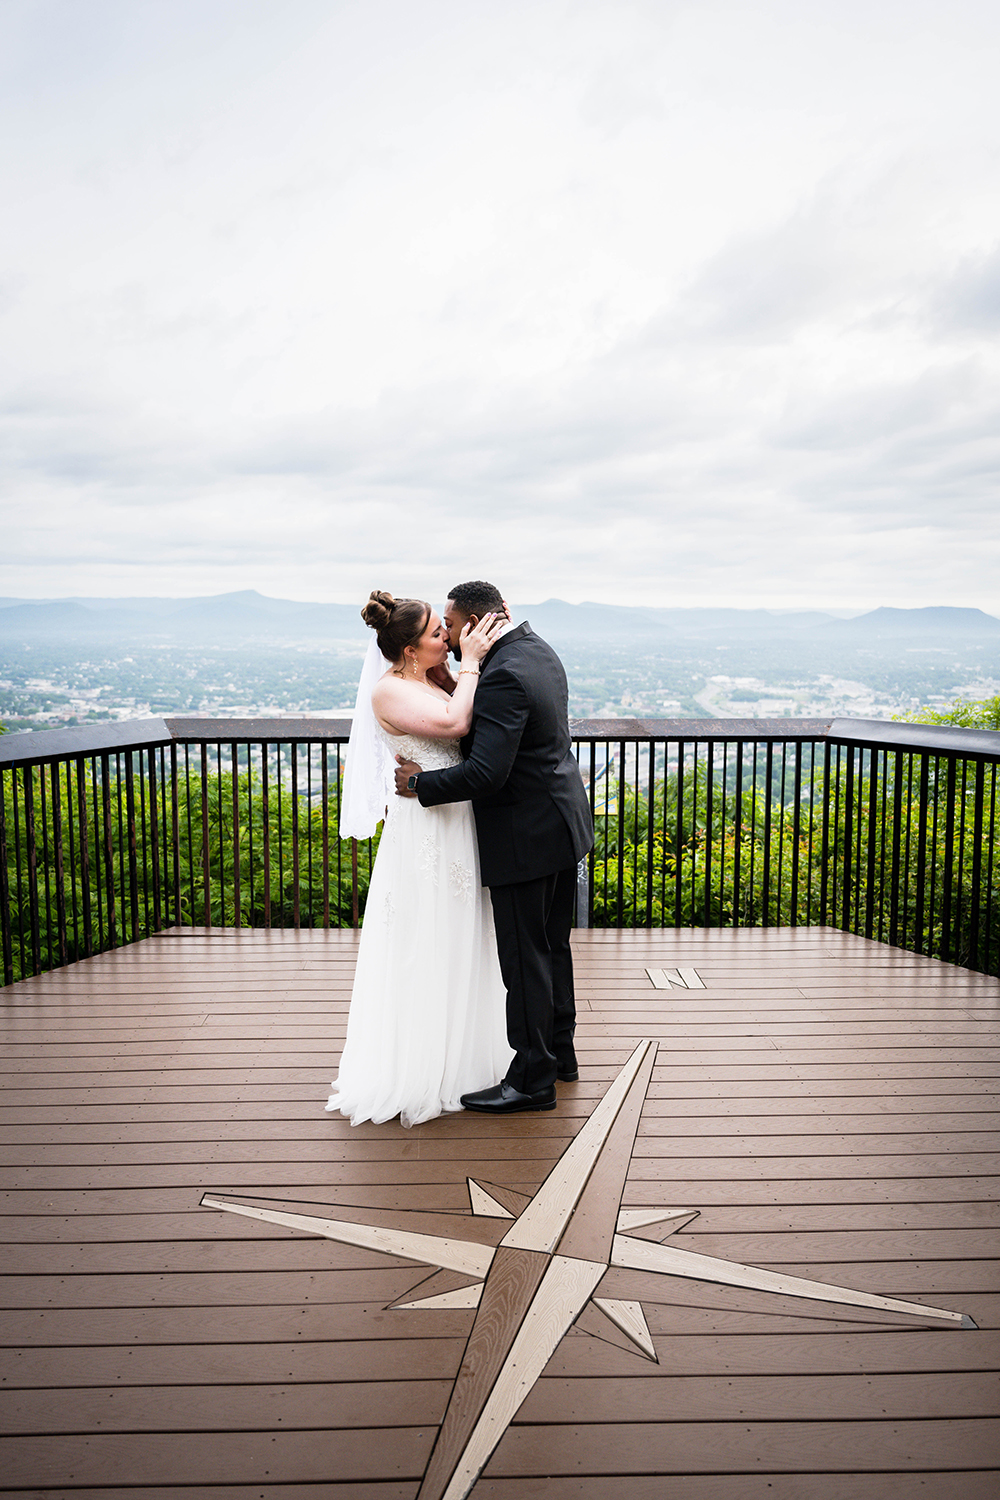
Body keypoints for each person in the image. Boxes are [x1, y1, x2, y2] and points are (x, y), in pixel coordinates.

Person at [393, 580, 594, 1115]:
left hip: (524, 834)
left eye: (452, 627)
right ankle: (561, 1055)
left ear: (478, 623)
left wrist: (418, 786)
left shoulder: (503, 673)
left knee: (524, 959)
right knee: (551, 948)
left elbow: (485, 772)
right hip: (559, 822)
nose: (452, 639)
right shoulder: (537, 649)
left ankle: (532, 1080)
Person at [326, 590, 512, 1128]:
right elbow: (456, 726)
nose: (447, 638)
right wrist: (473, 664)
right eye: (437, 633)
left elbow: (468, 722)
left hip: (457, 823)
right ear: (409, 649)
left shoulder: (431, 680)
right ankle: (421, 1067)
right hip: (425, 831)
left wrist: (458, 672)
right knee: (424, 938)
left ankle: (469, 1057)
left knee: (463, 936)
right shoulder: (388, 694)